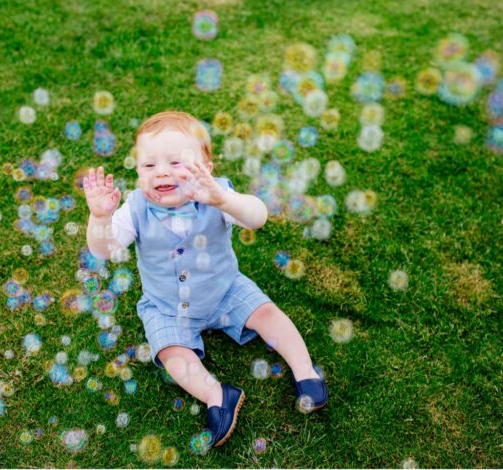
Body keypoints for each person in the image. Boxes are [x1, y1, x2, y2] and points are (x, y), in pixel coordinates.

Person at [81, 111, 328, 448]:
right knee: (171, 353)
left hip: (226, 289)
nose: (163, 172)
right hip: (167, 307)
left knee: (269, 315)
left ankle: (305, 372)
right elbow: (104, 249)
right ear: (138, 172)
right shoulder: (134, 209)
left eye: (176, 162)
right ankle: (218, 396)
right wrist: (99, 218)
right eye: (149, 165)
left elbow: (257, 217)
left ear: (207, 171)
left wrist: (224, 199)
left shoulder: (218, 196)